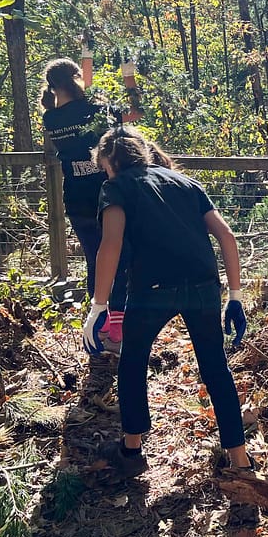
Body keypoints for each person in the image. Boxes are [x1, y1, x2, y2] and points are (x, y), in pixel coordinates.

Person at [83, 125, 252, 476]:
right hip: (203, 285)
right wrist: (235, 295)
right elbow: (227, 235)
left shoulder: (115, 187)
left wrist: (99, 305)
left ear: (111, 161)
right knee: (216, 369)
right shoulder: (187, 184)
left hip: (152, 289)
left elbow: (110, 245)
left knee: (132, 361)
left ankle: (131, 451)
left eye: (103, 167)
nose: (105, 173)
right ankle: (240, 459)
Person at [40, 59, 128, 348]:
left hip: (77, 201)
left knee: (95, 261)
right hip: (107, 197)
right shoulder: (95, 111)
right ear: (76, 79)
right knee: (120, 259)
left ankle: (99, 327)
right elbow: (133, 112)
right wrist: (128, 75)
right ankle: (117, 327)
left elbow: (82, 101)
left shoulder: (51, 119)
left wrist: (86, 63)